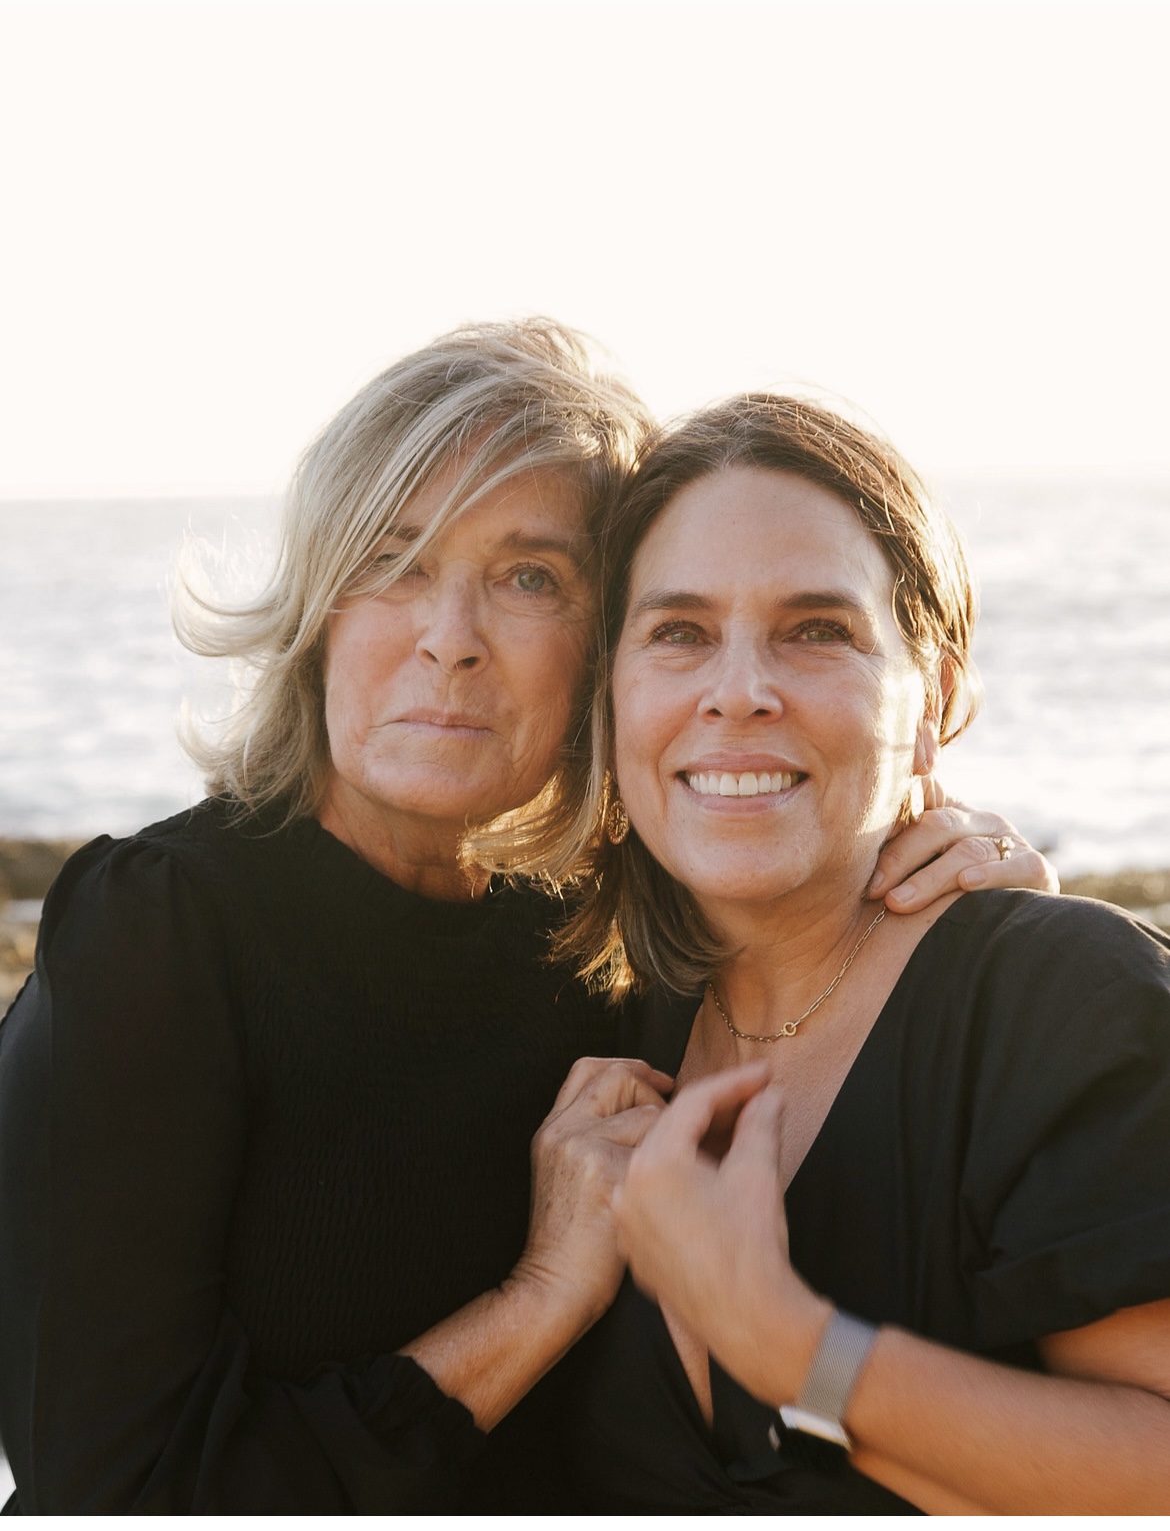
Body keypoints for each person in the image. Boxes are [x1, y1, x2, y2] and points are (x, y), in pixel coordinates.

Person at [0, 327, 1052, 1515]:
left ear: (610, 652)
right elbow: (113, 1495)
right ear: (318, 611)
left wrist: (981, 916)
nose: (449, 638)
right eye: (392, 560)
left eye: (530, 578)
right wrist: (539, 1298)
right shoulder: (158, 936)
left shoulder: (603, 935)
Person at [532, 394, 1170, 1515]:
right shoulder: (599, 1015)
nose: (738, 691)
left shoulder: (1062, 1008)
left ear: (934, 701)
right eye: (679, 632)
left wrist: (786, 1344)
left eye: (817, 629)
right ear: (611, 694)